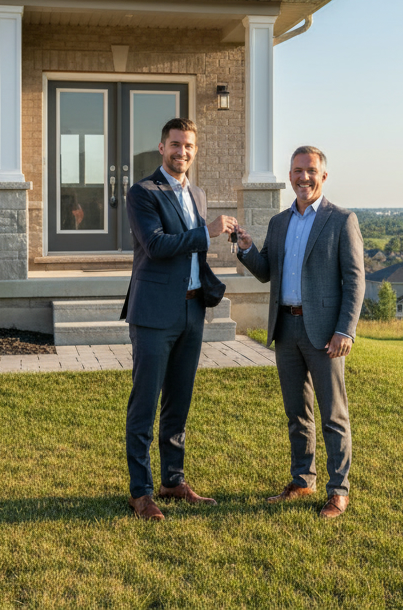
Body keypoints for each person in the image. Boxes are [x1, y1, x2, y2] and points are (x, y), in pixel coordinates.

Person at [234, 146, 364, 519]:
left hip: (324, 333)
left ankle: (338, 490)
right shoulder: (279, 223)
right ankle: (302, 479)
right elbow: (265, 271)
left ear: (323, 176)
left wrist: (345, 330)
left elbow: (355, 280)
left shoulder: (341, 220)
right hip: (285, 329)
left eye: (310, 171)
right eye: (296, 170)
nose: (302, 177)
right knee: (297, 413)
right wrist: (246, 249)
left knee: (333, 415)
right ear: (289, 176)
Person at [120, 117, 236, 521]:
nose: (181, 152)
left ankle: (173, 479)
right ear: (161, 147)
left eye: (188, 146)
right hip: (153, 313)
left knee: (179, 402)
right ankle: (141, 492)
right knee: (145, 403)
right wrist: (206, 232)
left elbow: (193, 254)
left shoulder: (198, 194)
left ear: (195, 150)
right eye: (174, 145)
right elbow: (155, 245)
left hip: (192, 310)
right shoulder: (142, 192)